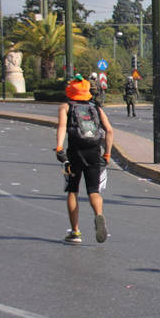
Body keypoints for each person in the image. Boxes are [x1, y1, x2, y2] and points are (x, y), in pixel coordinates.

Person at [55, 74, 114, 245]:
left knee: (73, 190)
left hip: (75, 152)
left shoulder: (66, 107)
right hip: (94, 152)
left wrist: (59, 149)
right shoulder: (95, 107)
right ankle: (99, 215)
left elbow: (61, 127)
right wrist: (107, 154)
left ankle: (75, 232)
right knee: (93, 190)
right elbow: (109, 131)